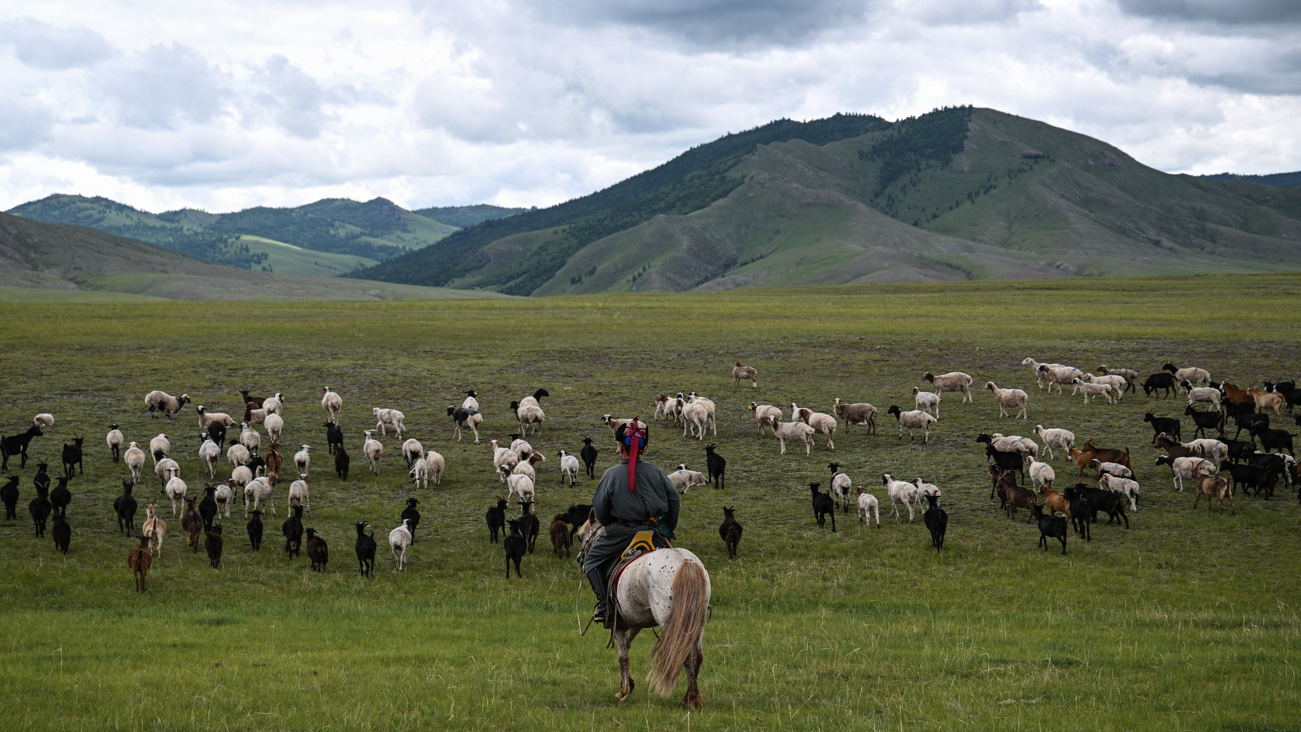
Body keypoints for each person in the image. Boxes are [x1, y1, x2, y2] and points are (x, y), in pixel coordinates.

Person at [582, 419, 680, 627]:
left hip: (622, 532)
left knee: (590, 561)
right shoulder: (656, 471)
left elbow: (599, 510)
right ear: (642, 451)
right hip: (654, 532)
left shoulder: (611, 474)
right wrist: (668, 527)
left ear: (620, 449)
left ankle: (605, 607)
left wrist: (612, 524)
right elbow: (674, 498)